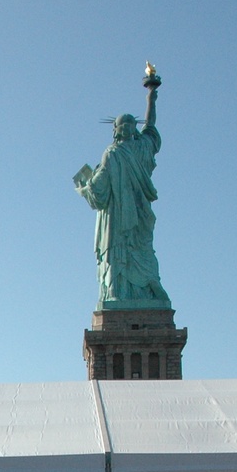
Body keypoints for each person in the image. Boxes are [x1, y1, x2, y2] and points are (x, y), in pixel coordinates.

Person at [74, 76, 169, 307]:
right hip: (117, 218)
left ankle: (147, 292)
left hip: (136, 215)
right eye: (122, 124)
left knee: (142, 252)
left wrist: (151, 98)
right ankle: (117, 292)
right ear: (115, 130)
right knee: (119, 255)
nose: (126, 127)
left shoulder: (139, 149)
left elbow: (151, 129)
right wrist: (89, 188)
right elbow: (100, 188)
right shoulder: (112, 154)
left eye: (129, 124)